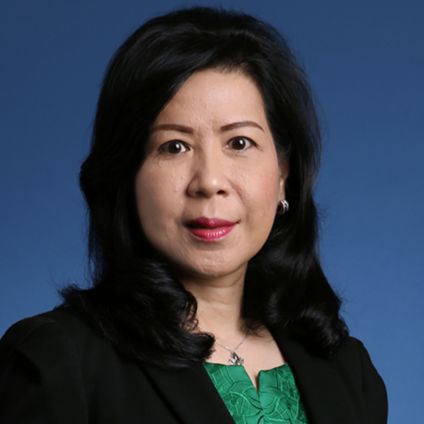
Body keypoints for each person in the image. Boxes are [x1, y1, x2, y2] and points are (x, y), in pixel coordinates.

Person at [0, 6, 388, 424]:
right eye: (174, 146)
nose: (209, 181)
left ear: (282, 175)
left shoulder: (347, 369)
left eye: (239, 143)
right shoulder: (54, 360)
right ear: (125, 173)